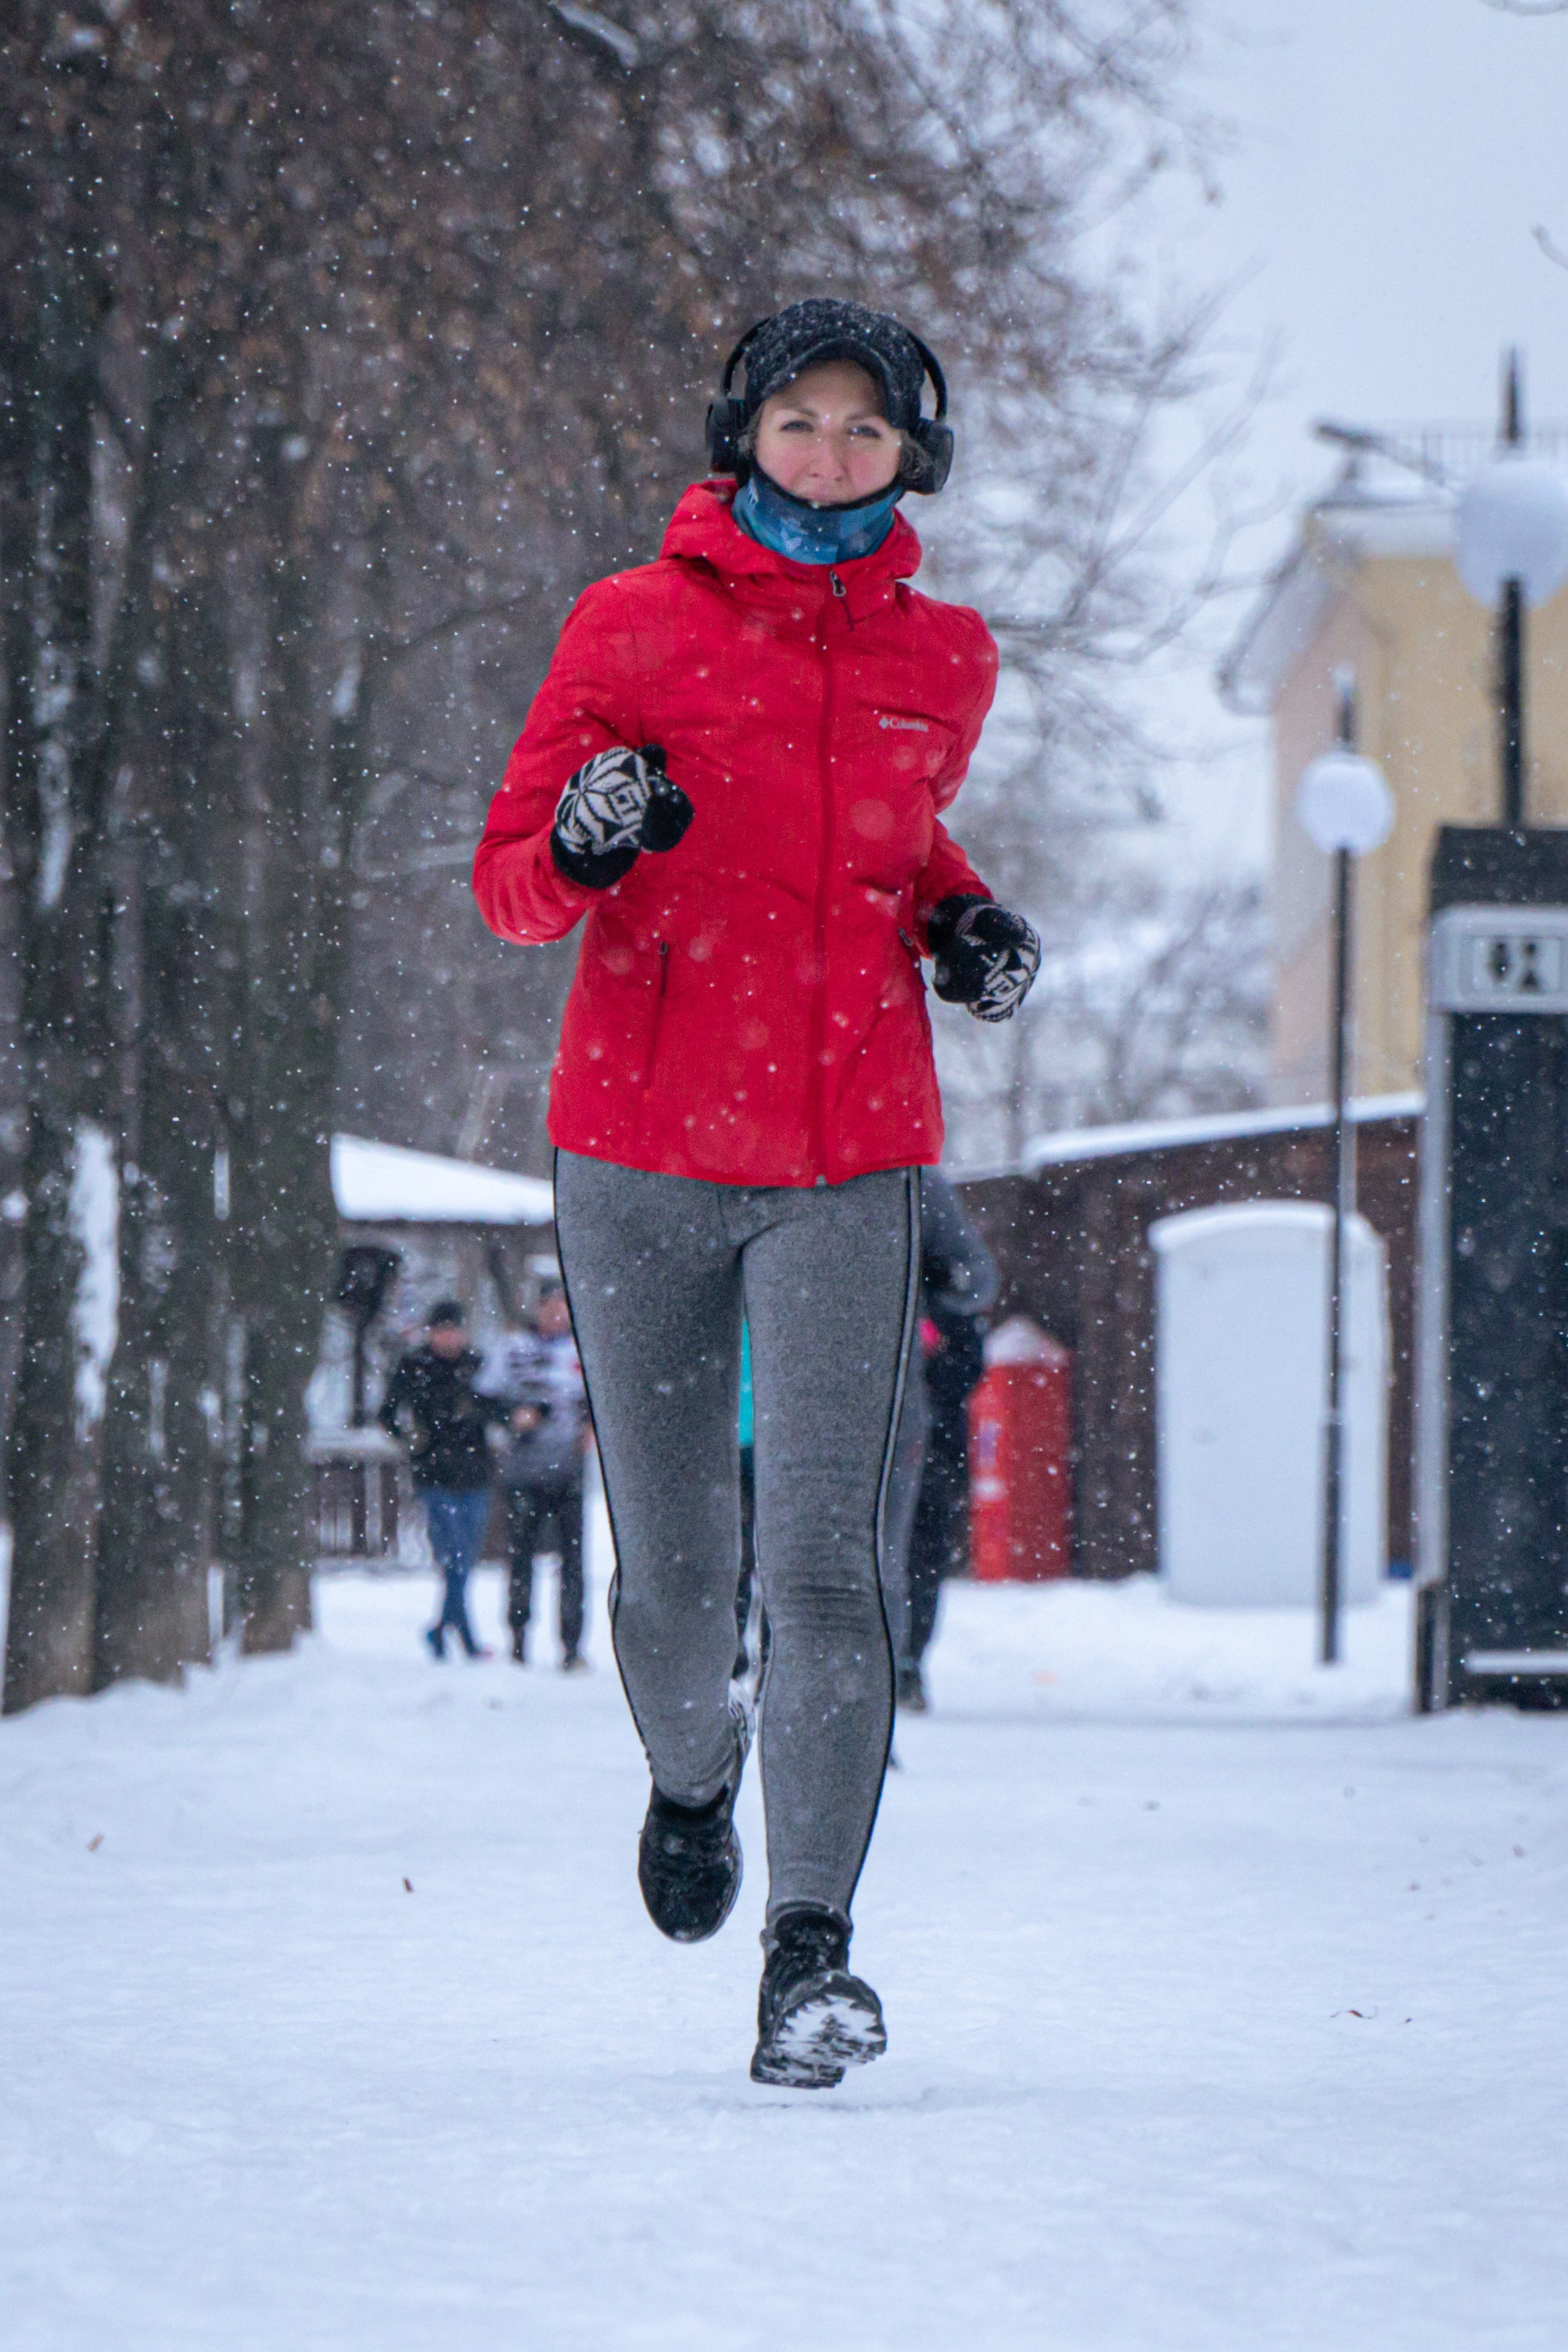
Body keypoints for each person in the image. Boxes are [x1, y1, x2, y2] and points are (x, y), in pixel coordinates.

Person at [473, 298, 1039, 2088]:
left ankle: (812, 1953)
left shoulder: (945, 658)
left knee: (827, 1559)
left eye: (864, 430)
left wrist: (959, 918)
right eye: (798, 421)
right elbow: (510, 881)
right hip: (637, 1144)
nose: (829, 453)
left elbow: (887, 839)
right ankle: (690, 1771)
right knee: (677, 1570)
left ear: (909, 455)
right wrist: (586, 834)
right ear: (744, 433)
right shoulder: (627, 624)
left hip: (848, 1150)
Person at [890, 1173, 998, 1713]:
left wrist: (940, 1312)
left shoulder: (921, 1188)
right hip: (883, 1409)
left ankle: (905, 1661)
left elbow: (977, 1278)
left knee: (922, 1542)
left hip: (929, 1418)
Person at [378, 1300, 504, 1660]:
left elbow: (498, 1409)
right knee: (453, 1557)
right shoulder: (414, 1366)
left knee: (465, 1558)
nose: (448, 1337)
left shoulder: (477, 1366)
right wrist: (410, 1440)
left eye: (454, 1330)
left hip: (475, 1473)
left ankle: (443, 1629)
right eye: (441, 1330)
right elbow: (386, 1414)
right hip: (434, 1475)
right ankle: (463, 1637)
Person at [477, 1279, 591, 1671]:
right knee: (521, 1558)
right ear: (538, 1309)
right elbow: (482, 1401)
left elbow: (605, 1405)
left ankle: (572, 1646)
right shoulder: (512, 1349)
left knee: (573, 1562)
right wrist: (512, 1418)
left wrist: (593, 1430)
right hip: (523, 1472)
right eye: (549, 1307)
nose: (556, 1314)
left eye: (563, 1306)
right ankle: (519, 1639)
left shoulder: (585, 1350)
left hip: (570, 1473)